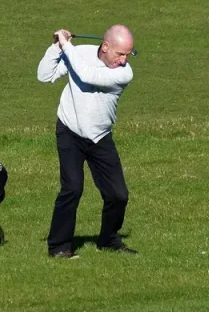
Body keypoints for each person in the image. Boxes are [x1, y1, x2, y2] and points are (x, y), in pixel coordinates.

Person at [37, 25, 137, 258]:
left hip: (100, 136)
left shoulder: (124, 73)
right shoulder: (80, 52)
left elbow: (87, 75)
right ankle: (59, 248)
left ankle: (108, 240)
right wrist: (56, 47)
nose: (123, 60)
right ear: (105, 46)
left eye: (127, 55)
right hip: (69, 131)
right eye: (120, 54)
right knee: (72, 188)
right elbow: (44, 76)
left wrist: (66, 46)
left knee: (118, 195)